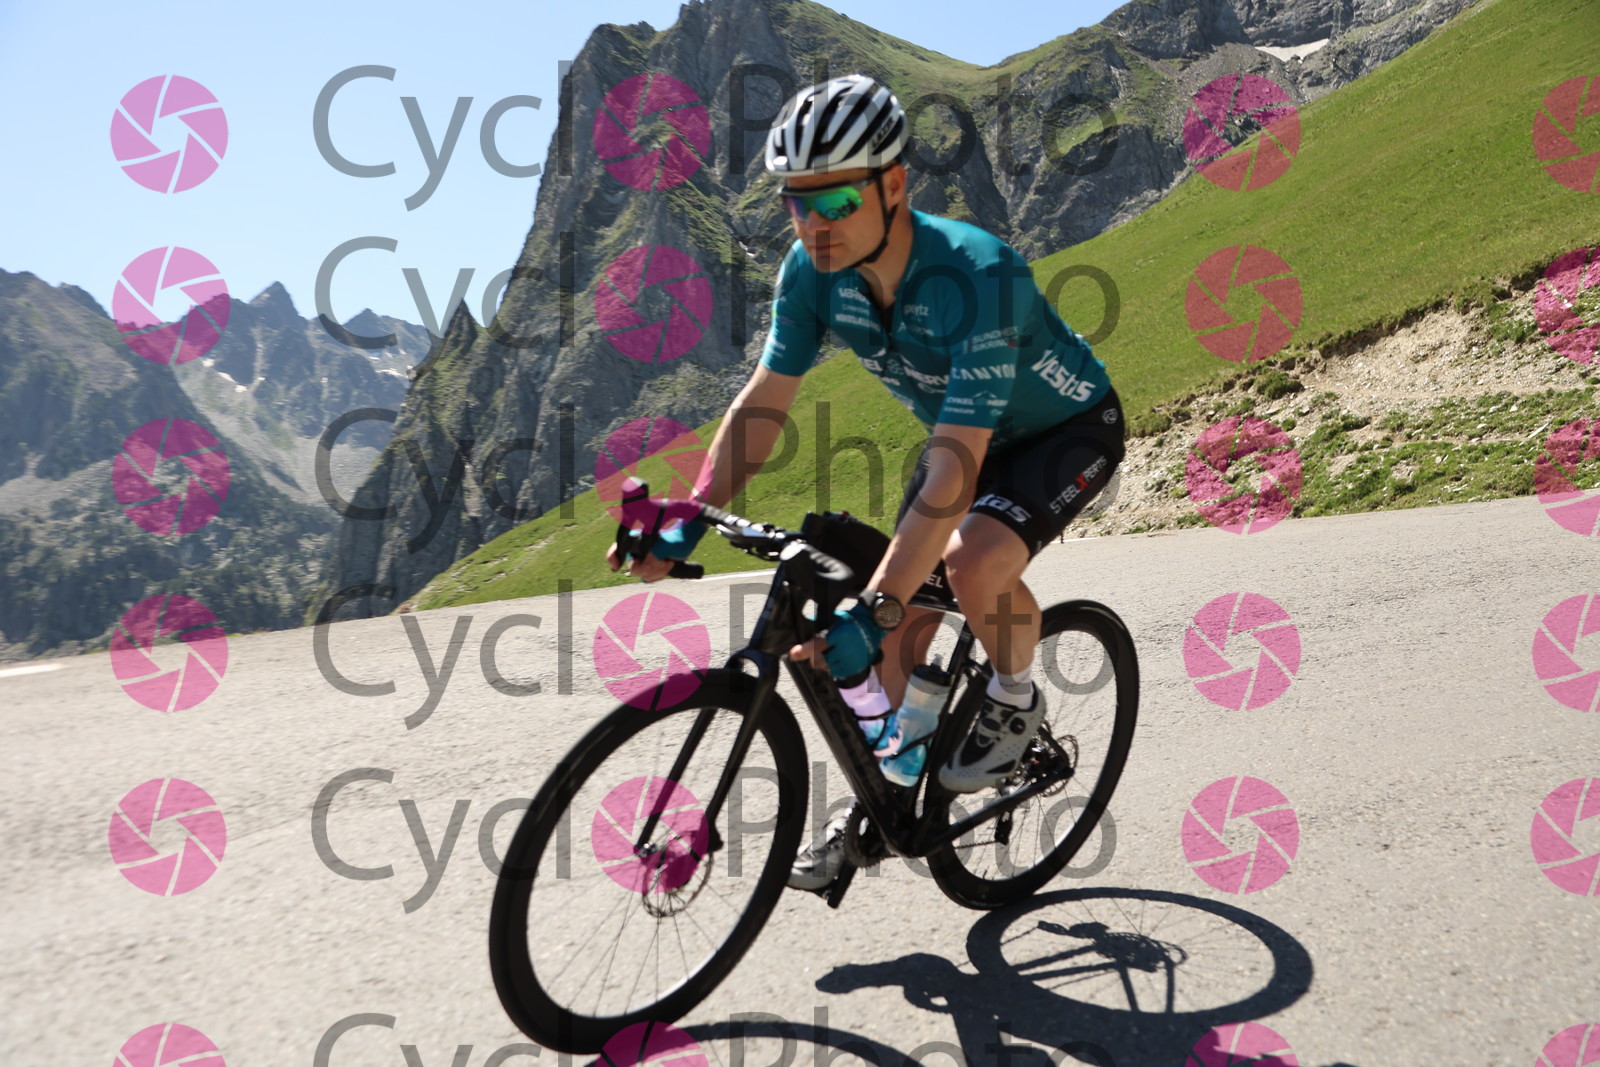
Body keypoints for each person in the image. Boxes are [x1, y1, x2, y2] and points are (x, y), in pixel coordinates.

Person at [607, 74, 1125, 891]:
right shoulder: (811, 273)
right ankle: (889, 800)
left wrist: (878, 601)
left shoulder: (976, 275)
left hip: (1064, 431)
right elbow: (763, 404)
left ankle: (1016, 696)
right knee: (891, 641)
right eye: (796, 202)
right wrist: (696, 512)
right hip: (964, 438)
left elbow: (955, 470)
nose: (814, 223)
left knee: (967, 563)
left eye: (837, 200)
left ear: (893, 186)